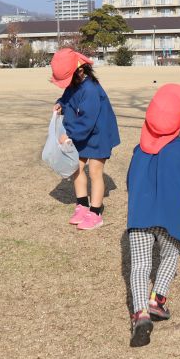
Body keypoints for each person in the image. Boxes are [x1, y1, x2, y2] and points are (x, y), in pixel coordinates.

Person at [125, 84, 180, 347]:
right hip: (171, 217)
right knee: (170, 255)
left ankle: (140, 314)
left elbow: (131, 181)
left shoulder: (139, 150)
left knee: (139, 265)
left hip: (139, 216)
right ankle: (157, 300)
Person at [50, 48, 120, 230]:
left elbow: (88, 119)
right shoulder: (74, 85)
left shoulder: (90, 90)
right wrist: (61, 103)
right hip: (81, 133)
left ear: (80, 70)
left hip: (98, 134)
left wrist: (70, 134)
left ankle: (95, 213)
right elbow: (67, 98)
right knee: (76, 167)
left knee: (96, 172)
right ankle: (82, 205)